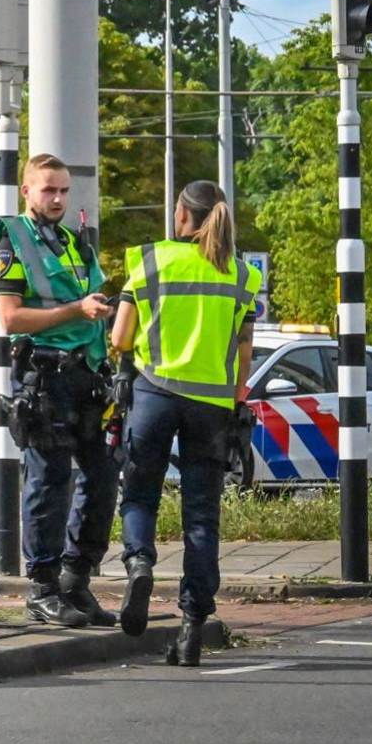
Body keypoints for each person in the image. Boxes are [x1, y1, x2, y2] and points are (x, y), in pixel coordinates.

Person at [108, 180, 262, 666]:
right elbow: (244, 353)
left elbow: (120, 337)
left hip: (155, 394)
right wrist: (236, 395)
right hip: (211, 406)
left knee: (139, 493)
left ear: (181, 217)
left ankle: (139, 564)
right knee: (201, 517)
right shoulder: (239, 275)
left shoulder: (151, 261)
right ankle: (192, 627)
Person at [0, 154, 118, 627]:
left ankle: (75, 579)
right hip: (44, 377)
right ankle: (42, 590)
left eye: (63, 190)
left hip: (88, 377)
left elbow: (95, 302)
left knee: (104, 476)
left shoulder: (76, 243)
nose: (59, 198)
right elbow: (10, 318)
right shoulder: (11, 243)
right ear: (27, 192)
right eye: (49, 190)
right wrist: (75, 311)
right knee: (49, 481)